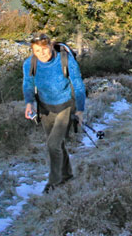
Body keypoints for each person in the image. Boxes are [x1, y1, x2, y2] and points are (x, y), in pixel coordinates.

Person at [22, 33, 86, 193]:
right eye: (37, 50)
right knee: (57, 144)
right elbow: (28, 84)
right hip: (44, 108)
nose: (41, 53)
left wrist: (80, 110)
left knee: (53, 144)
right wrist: (29, 103)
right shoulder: (30, 63)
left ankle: (54, 183)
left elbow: (78, 85)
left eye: (44, 49)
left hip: (65, 106)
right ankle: (67, 175)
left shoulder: (66, 60)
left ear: (51, 46)